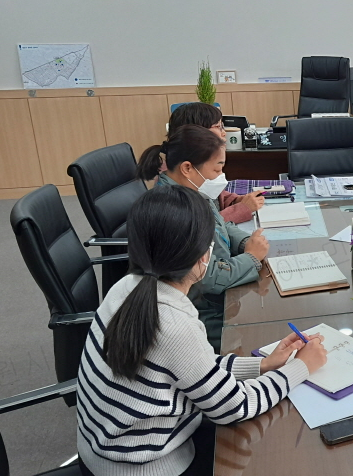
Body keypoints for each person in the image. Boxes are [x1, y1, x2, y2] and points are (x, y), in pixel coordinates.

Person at [76, 186, 327, 476]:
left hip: (105, 454)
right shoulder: (174, 324)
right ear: (202, 258)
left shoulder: (127, 287)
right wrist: (302, 367)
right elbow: (236, 406)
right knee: (278, 454)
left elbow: (193, 367)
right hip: (149, 467)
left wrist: (262, 364)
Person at [137, 124, 266, 294]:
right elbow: (207, 278)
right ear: (187, 168)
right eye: (217, 169)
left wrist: (245, 243)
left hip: (223, 278)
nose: (220, 176)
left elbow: (220, 225)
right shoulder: (174, 212)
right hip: (203, 305)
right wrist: (251, 258)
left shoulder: (193, 191)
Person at [165, 102, 264, 224]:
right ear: (196, 131)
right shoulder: (177, 178)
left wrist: (236, 201)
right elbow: (201, 226)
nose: (224, 132)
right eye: (218, 127)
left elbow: (215, 198)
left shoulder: (196, 161)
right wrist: (242, 209)